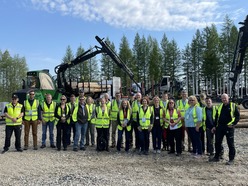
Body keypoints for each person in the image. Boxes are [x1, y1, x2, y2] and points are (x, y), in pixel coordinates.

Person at [210, 93, 240, 165]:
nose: (224, 99)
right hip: (220, 127)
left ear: (228, 98)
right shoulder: (220, 106)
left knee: (230, 143)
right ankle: (217, 157)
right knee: (217, 142)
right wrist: (214, 126)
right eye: (222, 98)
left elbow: (237, 116)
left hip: (229, 127)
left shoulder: (233, 105)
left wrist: (233, 124)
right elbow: (216, 117)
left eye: (225, 98)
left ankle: (231, 159)